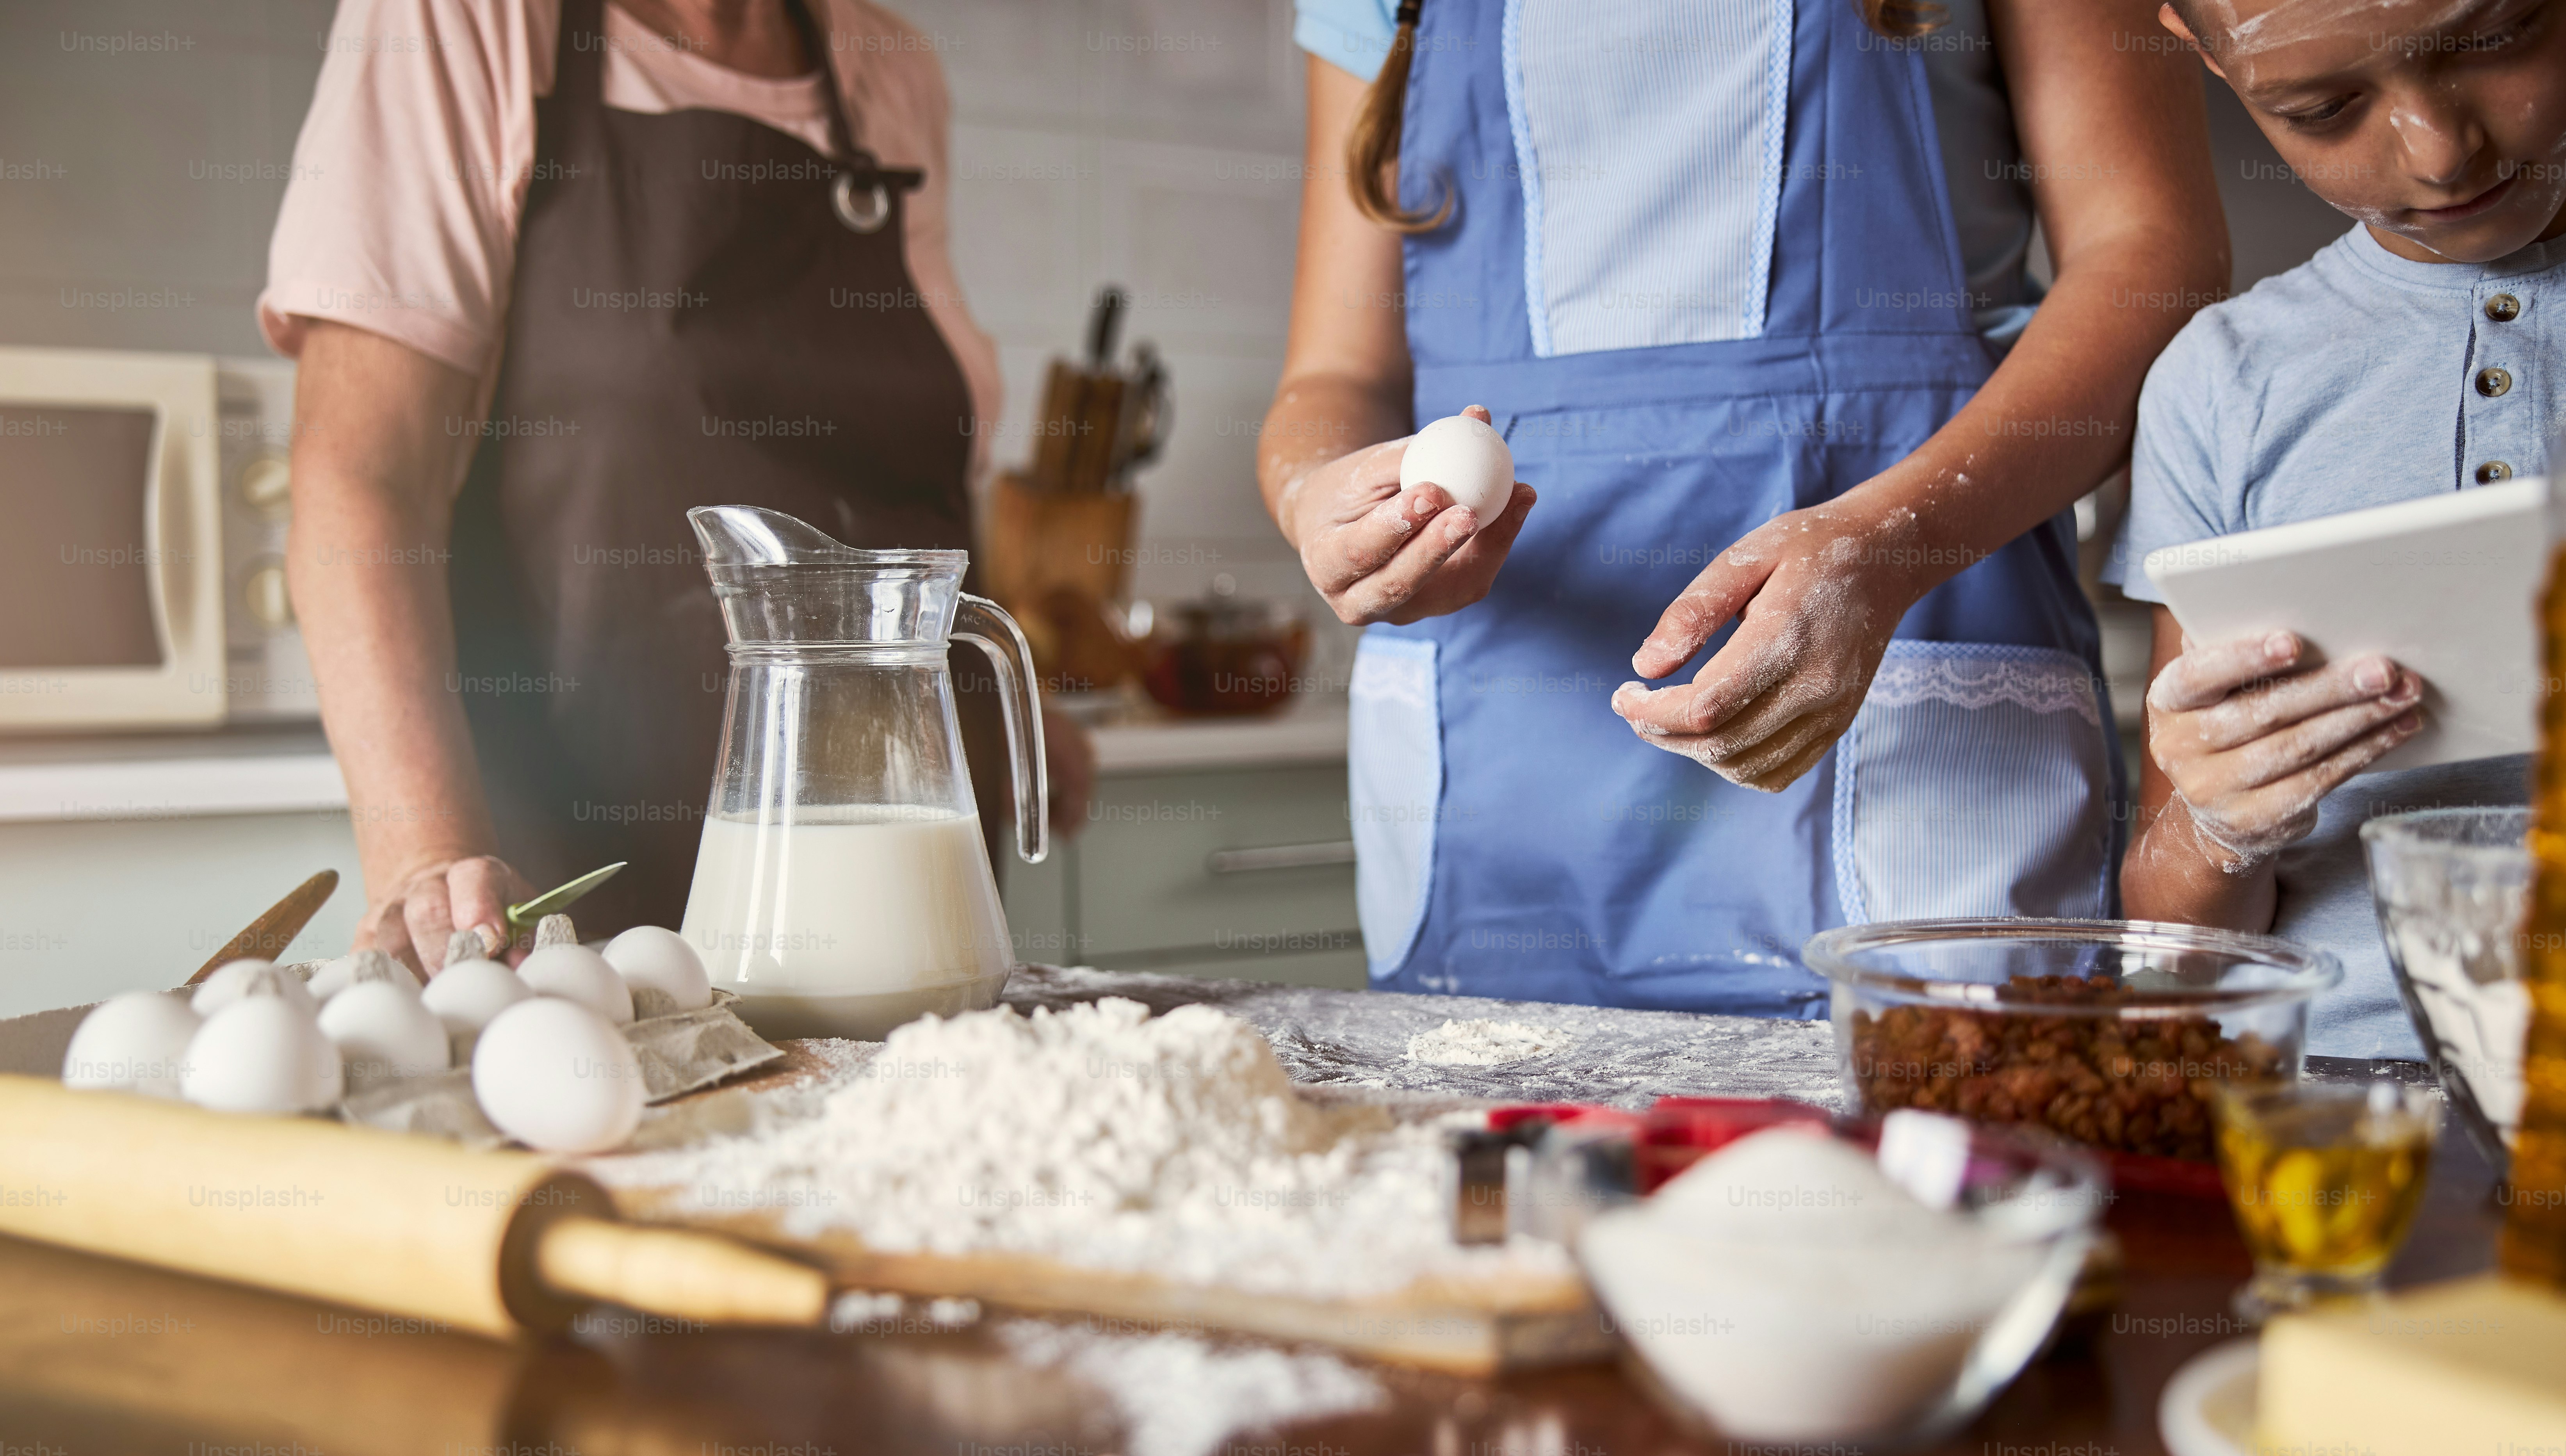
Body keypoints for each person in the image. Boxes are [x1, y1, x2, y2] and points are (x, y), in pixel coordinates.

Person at [1264, 0, 2229, 1014]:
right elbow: (1334, 374)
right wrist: (1313, 497)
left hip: (1909, 655)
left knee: (1935, 1152)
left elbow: (2152, 259)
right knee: (1509, 1144)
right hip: (1499, 731)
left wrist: (1893, 542)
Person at [264, 0, 1090, 975]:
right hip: (587, 892)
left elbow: (917, 470)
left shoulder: (887, 67)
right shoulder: (467, 20)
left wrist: (1009, 709)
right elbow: (364, 476)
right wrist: (428, 858)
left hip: (905, 890)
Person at [2109, 0, 2559, 1057]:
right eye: (2321, 107)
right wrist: (2218, 822)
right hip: (2347, 1110)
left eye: (2493, 39)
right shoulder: (2222, 384)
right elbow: (2171, 942)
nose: (2441, 155)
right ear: (2207, 57)